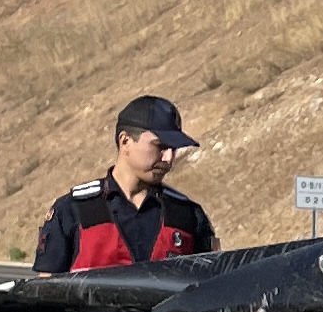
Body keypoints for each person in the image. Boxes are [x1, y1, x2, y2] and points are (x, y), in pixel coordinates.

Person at [33, 95, 217, 270]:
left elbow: (206, 288)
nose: (168, 158)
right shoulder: (72, 211)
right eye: (160, 146)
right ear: (125, 141)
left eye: (173, 149)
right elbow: (45, 291)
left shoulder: (188, 216)